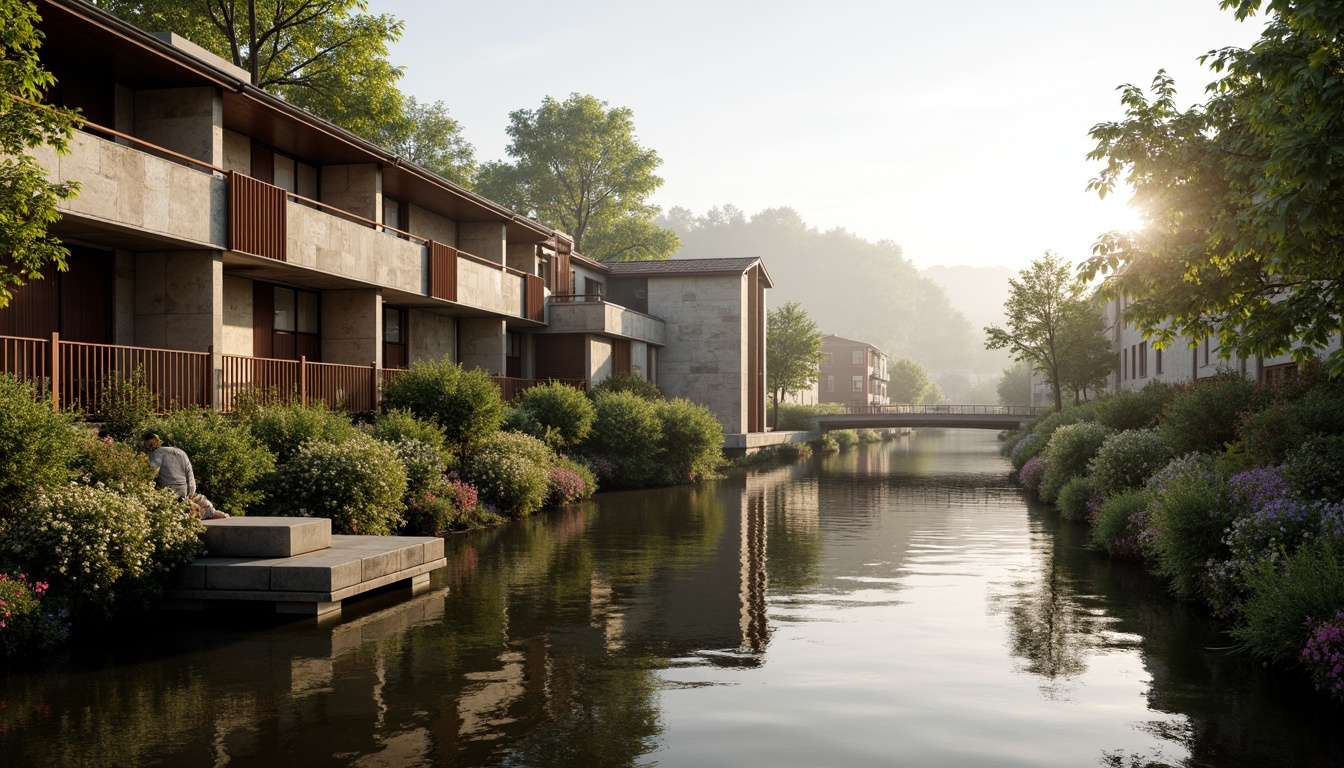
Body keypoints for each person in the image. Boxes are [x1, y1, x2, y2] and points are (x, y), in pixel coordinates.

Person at [142, 433, 229, 519]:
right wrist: (190, 493)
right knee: (199, 499)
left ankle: (198, 510)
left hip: (171, 491)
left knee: (175, 509)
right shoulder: (181, 452)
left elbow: (151, 471)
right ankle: (211, 511)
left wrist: (144, 482)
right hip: (187, 489)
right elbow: (190, 475)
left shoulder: (158, 452)